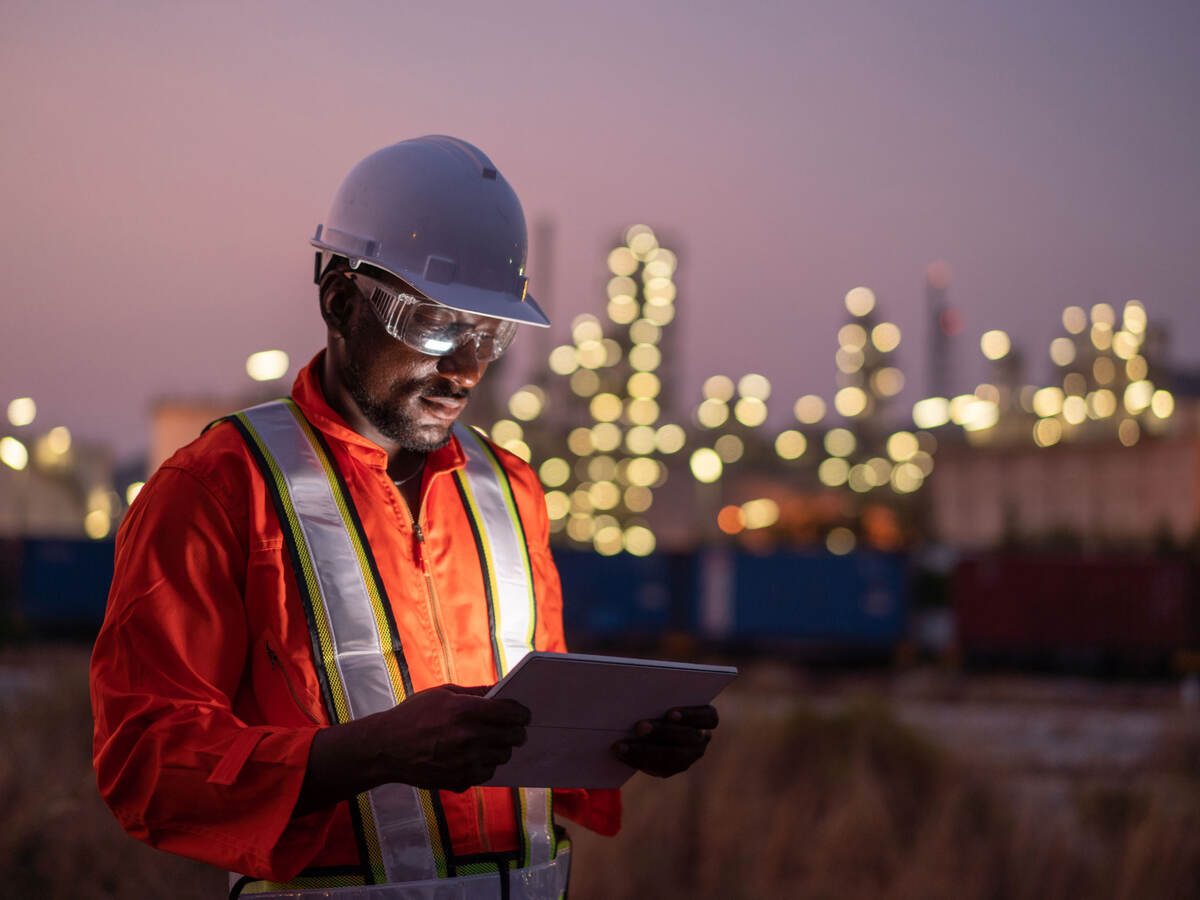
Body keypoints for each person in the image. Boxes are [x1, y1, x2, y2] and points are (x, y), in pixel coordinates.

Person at [90, 135, 718, 899]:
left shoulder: (510, 491)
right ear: (340, 301)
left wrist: (621, 739)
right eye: (434, 325)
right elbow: (146, 764)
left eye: (490, 333)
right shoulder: (219, 490)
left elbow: (538, 737)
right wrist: (368, 754)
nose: (464, 368)